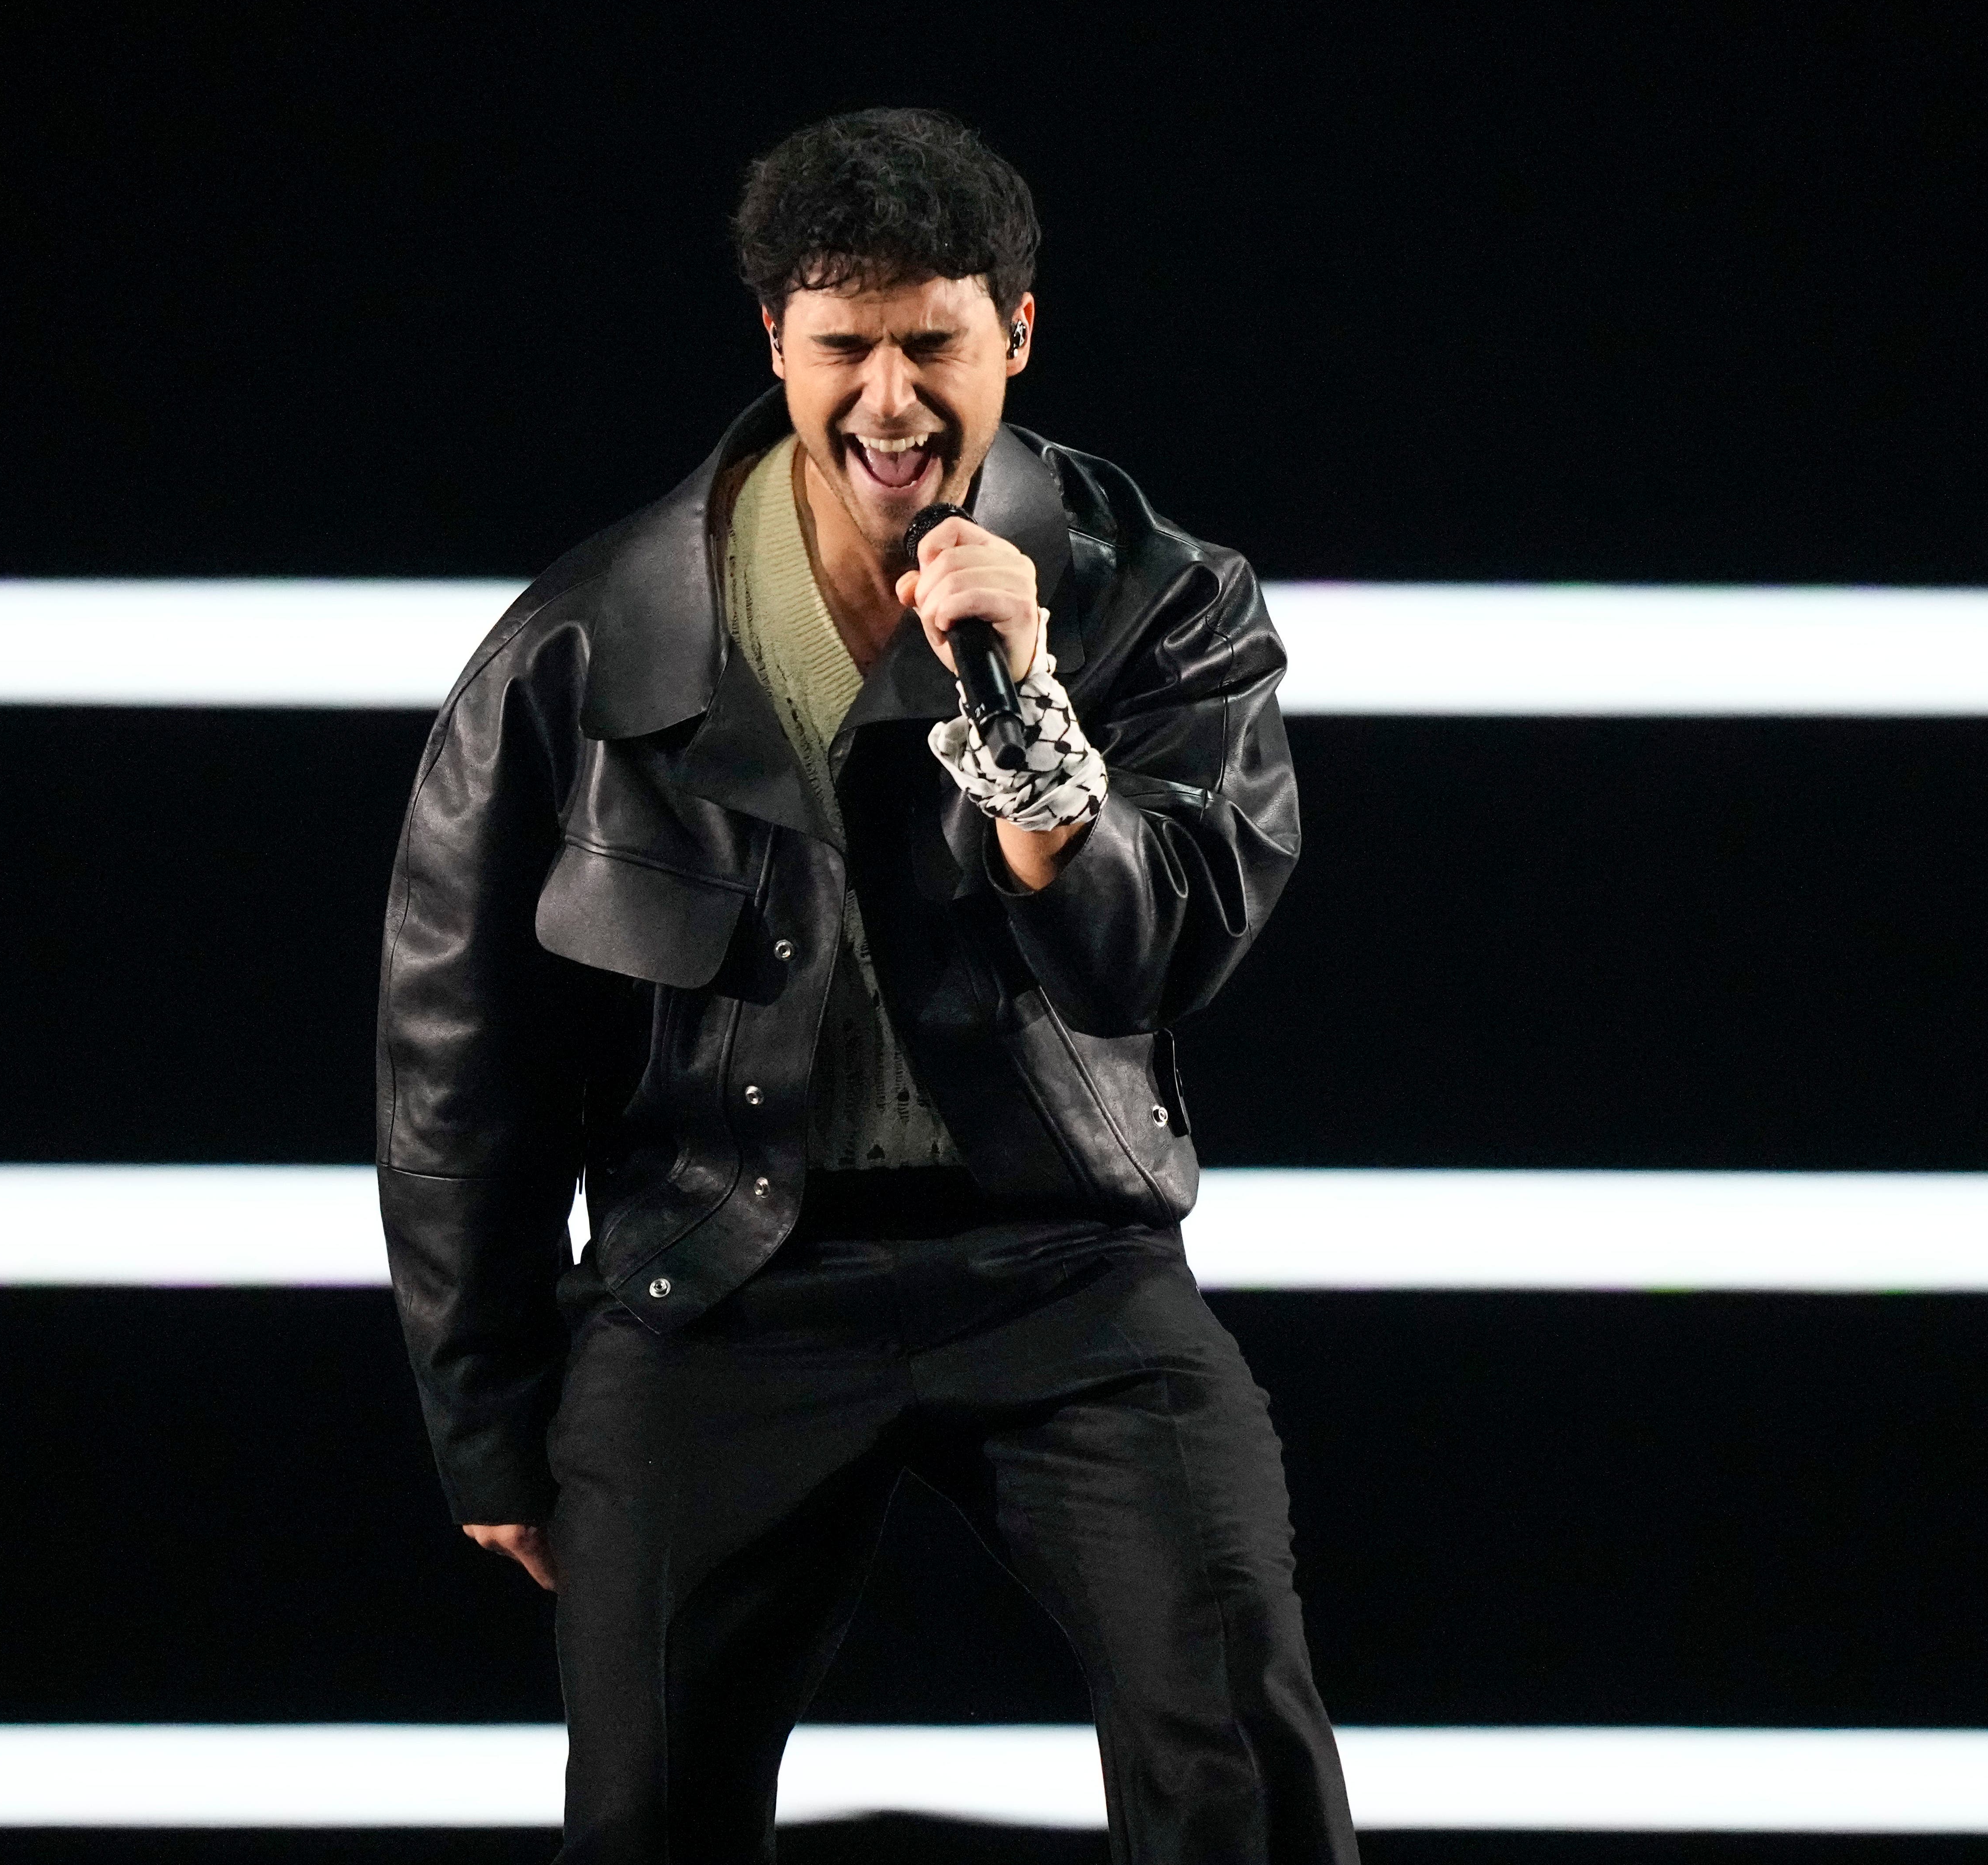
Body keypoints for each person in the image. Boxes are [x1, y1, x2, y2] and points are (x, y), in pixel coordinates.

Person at [378, 107, 1352, 1861]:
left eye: (932, 343)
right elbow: (461, 1053)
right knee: (645, 1802)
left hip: (1063, 1257)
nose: (889, 399)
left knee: (1241, 1748)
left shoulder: (1158, 602)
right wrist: (489, 1416)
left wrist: (1027, 713)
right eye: (845, 346)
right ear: (774, 342)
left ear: (1017, 334)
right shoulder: (586, 640)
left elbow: (1162, 950)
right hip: (715, 1269)